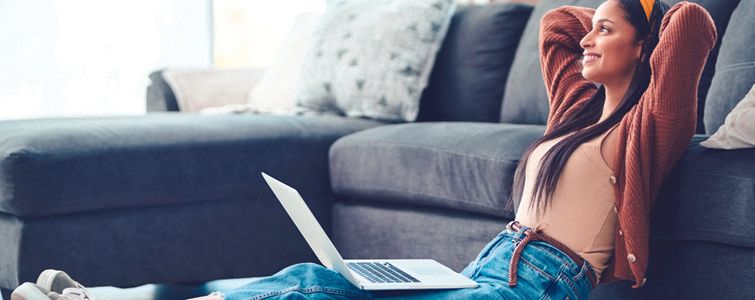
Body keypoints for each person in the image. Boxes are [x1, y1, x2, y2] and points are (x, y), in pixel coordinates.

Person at [11, 1, 717, 299]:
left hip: (536, 285)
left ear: (643, 46)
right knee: (320, 279)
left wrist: (648, 15)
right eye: (591, 27)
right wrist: (605, 23)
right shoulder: (574, 112)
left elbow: (692, 26)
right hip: (485, 264)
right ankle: (105, 296)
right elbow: (555, 29)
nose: (586, 37)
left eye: (606, 29)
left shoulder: (645, 130)